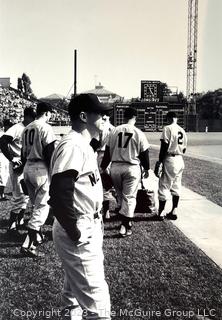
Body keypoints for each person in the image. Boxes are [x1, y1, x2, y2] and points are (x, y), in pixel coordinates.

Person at [48, 93, 112, 320]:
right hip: (79, 227)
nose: (105, 117)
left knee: (73, 298)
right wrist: (75, 232)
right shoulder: (73, 144)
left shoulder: (81, 143)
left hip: (88, 224)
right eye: (101, 113)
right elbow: (58, 192)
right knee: (99, 308)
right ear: (84, 116)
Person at [101, 107, 150, 237]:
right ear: (135, 117)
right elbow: (145, 154)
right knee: (129, 197)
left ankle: (125, 221)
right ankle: (125, 225)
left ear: (123, 116)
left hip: (115, 167)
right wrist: (147, 168)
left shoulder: (114, 130)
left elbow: (107, 152)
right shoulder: (138, 132)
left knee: (121, 195)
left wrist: (103, 167)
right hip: (131, 167)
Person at [20, 102, 57, 257]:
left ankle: (38, 235)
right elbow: (49, 152)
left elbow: (22, 154)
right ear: (46, 113)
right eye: (51, 113)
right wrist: (53, 173)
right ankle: (29, 243)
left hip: (28, 166)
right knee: (42, 206)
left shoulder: (27, 127)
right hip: (40, 168)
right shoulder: (45, 127)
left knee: (36, 206)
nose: (52, 116)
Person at [0, 107, 36, 231]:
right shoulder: (17, 128)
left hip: (27, 163)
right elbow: (2, 141)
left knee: (26, 195)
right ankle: (11, 224)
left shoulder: (31, 128)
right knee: (18, 195)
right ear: (27, 116)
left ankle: (20, 221)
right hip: (18, 164)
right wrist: (11, 158)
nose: (34, 119)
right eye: (33, 117)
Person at [156, 111, 188, 220]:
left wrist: (160, 161)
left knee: (164, 184)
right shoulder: (182, 130)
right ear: (176, 119)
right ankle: (174, 211)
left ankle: (161, 212)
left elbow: (164, 146)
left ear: (169, 118)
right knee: (176, 186)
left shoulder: (168, 128)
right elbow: (184, 148)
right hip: (180, 159)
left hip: (170, 159)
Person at [0, 122, 9, 200]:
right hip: (3, 155)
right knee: (3, 174)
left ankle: (2, 194)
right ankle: (1, 194)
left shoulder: (4, 134)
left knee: (4, 174)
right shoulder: (3, 134)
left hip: (4, 155)